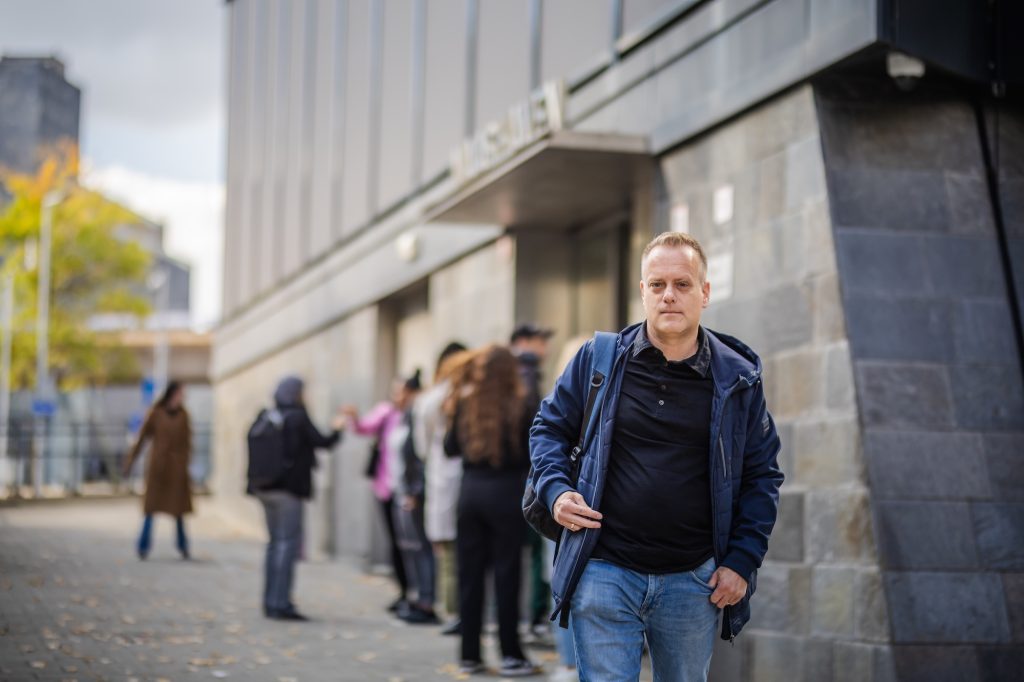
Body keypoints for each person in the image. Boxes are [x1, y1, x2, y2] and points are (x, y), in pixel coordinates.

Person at [529, 232, 784, 682]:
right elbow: (548, 428)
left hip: (693, 578)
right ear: (642, 291)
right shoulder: (599, 359)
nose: (669, 295)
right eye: (657, 284)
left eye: (683, 284)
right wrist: (556, 492)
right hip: (604, 568)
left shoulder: (738, 378)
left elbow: (762, 475)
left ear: (705, 292)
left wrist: (742, 560)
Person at [445, 345, 541, 678]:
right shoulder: (521, 402)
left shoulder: (465, 402)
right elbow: (532, 452)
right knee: (507, 576)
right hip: (505, 493)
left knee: (469, 576)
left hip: (470, 492)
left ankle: (469, 655)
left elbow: (449, 448)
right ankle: (510, 655)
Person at [252, 376, 345, 621]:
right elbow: (323, 442)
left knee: (274, 545)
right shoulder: (298, 417)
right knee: (287, 545)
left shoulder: (267, 416)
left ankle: (270, 601)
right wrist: (338, 427)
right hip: (289, 491)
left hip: (264, 490)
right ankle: (281, 603)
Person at [345, 372, 421, 614]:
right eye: (394, 391)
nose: (397, 396)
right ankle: (404, 591)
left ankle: (416, 593)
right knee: (396, 543)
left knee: (413, 544)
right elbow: (364, 427)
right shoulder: (387, 413)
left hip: (408, 490)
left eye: (401, 391)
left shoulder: (416, 415)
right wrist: (353, 419)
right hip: (387, 489)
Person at [413, 342, 470, 635]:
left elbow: (421, 445)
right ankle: (464, 611)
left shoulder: (430, 399)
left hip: (442, 475)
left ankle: (455, 611)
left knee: (447, 550)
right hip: (468, 478)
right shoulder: (470, 394)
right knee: (462, 550)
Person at [509, 323, 556, 641]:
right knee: (539, 551)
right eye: (540, 341)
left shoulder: (516, 373)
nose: (544, 348)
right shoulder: (526, 373)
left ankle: (531, 619)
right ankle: (536, 619)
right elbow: (534, 432)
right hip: (524, 479)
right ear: (523, 342)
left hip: (505, 480)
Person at [123, 381, 193, 561]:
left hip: (177, 470)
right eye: (180, 394)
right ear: (172, 394)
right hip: (158, 470)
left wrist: (185, 463)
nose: (182, 398)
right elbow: (142, 438)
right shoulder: (155, 413)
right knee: (151, 509)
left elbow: (188, 443)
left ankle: (183, 546)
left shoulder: (184, 415)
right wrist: (130, 461)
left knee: (178, 512)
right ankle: (143, 546)